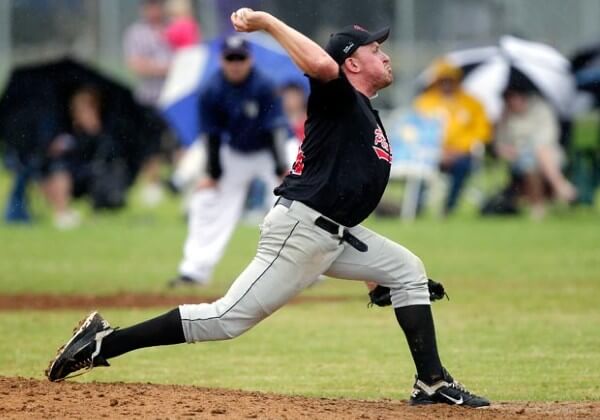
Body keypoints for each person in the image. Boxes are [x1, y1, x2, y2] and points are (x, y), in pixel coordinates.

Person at [45, 8, 490, 408]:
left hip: (334, 233)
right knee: (224, 319)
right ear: (352, 62)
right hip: (301, 232)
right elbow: (319, 64)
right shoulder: (337, 94)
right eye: (376, 49)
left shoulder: (363, 111)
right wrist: (266, 22)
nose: (387, 56)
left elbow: (347, 189)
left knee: (406, 270)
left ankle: (431, 382)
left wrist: (374, 274)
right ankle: (103, 343)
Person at [168, 35, 290, 287]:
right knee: (207, 201)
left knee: (292, 204)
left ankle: (304, 269)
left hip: (271, 151)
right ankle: (194, 271)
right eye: (230, 58)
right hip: (235, 151)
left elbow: (276, 129)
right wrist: (213, 175)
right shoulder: (211, 89)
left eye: (240, 58)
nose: (235, 64)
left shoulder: (264, 84)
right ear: (221, 60)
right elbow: (211, 135)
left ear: (250, 59)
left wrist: (282, 170)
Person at [40, 87, 127, 229]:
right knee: (56, 172)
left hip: (93, 172)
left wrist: (94, 131)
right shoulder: (67, 128)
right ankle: (62, 213)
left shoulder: (103, 131)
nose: (80, 113)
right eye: (77, 109)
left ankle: (87, 214)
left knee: (72, 173)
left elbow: (110, 153)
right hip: (70, 170)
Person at [414, 59, 492, 215]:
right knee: (420, 168)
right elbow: (417, 130)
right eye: (443, 80)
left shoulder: (473, 103)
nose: (447, 84)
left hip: (461, 153)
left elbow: (483, 132)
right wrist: (439, 151)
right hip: (432, 153)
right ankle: (416, 208)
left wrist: (459, 149)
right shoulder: (424, 102)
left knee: (462, 166)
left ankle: (448, 208)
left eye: (451, 80)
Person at [495, 87, 577, 219]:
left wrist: (531, 148)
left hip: (548, 153)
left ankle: (540, 204)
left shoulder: (541, 110)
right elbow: (499, 146)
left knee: (539, 153)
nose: (513, 102)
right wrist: (509, 150)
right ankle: (560, 185)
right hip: (520, 157)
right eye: (509, 99)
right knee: (530, 162)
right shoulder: (505, 117)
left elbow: (547, 138)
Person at [123, 0, 173, 207]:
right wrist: (164, 67)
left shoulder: (173, 29)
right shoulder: (136, 33)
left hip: (172, 98)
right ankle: (152, 186)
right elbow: (136, 64)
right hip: (149, 98)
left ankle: (180, 184)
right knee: (151, 145)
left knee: (178, 144)